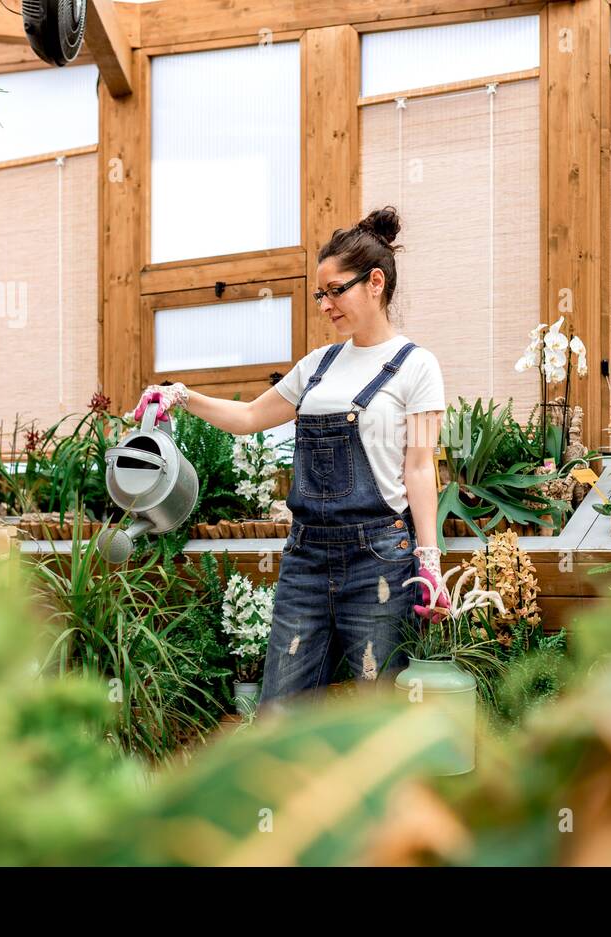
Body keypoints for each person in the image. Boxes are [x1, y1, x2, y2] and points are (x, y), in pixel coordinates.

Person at [133, 206, 450, 715]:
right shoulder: (317, 367)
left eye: (335, 291)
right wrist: (182, 396)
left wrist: (429, 562)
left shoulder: (417, 367)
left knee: (376, 715)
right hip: (306, 556)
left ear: (374, 282)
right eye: (320, 294)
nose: (325, 305)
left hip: (380, 560)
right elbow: (251, 416)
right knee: (279, 711)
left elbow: (419, 467)